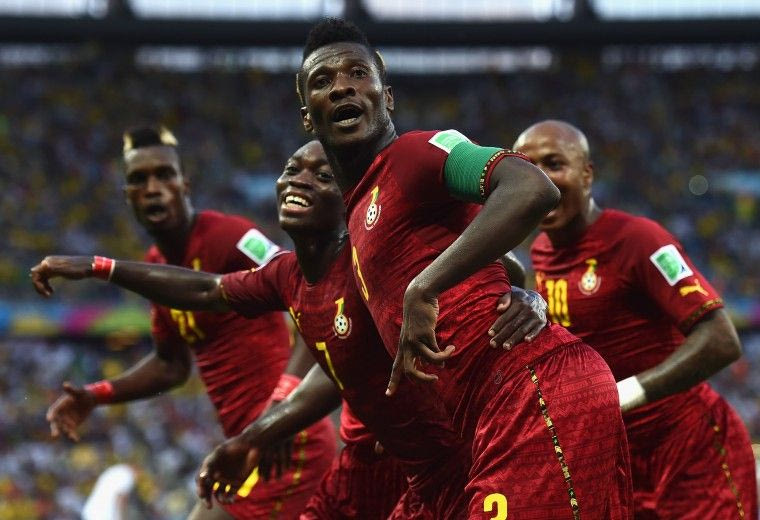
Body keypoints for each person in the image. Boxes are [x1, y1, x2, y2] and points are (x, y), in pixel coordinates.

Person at [32, 140, 547, 519]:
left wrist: (527, 298)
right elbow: (207, 298)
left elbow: (506, 263)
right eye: (291, 169)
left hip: (404, 457)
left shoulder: (356, 256)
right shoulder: (287, 276)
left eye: (322, 175)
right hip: (350, 452)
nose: (299, 179)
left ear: (349, 199)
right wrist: (101, 268)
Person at [293, 17, 632, 519]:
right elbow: (507, 269)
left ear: (387, 96)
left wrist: (425, 286)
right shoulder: (363, 215)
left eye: (358, 74)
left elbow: (530, 187)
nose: (343, 86)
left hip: (533, 393)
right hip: (489, 419)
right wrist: (525, 296)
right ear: (308, 116)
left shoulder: (416, 154)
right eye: (324, 80)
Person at [42, 126, 336, 520]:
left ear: (185, 185)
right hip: (247, 446)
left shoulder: (231, 237)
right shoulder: (157, 265)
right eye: (139, 179)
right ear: (127, 195)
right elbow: (171, 365)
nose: (153, 188)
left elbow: (310, 297)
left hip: (285, 443)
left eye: (164, 175)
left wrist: (281, 409)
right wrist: (97, 394)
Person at [519, 119, 757, 519]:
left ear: (587, 174)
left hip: (690, 453)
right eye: (527, 167)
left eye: (554, 164)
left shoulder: (638, 239)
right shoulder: (541, 252)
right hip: (620, 461)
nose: (541, 179)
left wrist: (622, 395)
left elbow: (721, 339)